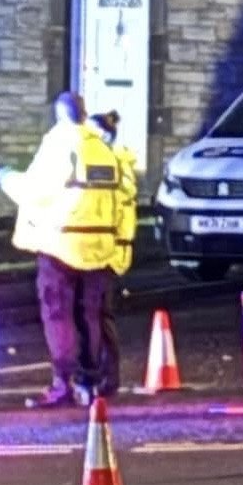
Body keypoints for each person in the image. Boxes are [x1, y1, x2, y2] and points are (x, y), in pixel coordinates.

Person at [0, 93, 120, 407]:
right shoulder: (103, 151)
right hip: (99, 245)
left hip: (61, 243)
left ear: (60, 114)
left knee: (58, 313)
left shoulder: (60, 146)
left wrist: (4, 177)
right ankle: (90, 381)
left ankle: (64, 381)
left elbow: (34, 191)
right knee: (90, 314)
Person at [90, 111, 139, 396]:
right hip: (100, 247)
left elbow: (118, 209)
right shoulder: (108, 161)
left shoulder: (114, 164)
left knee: (98, 313)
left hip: (106, 250)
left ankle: (108, 377)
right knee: (93, 313)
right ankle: (100, 375)